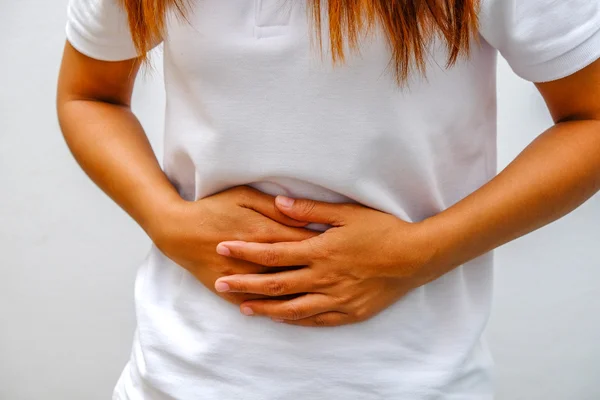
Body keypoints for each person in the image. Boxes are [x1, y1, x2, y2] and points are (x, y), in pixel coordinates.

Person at [56, 0, 600, 398]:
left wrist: (422, 253)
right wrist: (164, 218)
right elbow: (89, 93)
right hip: (172, 379)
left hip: (415, 382)